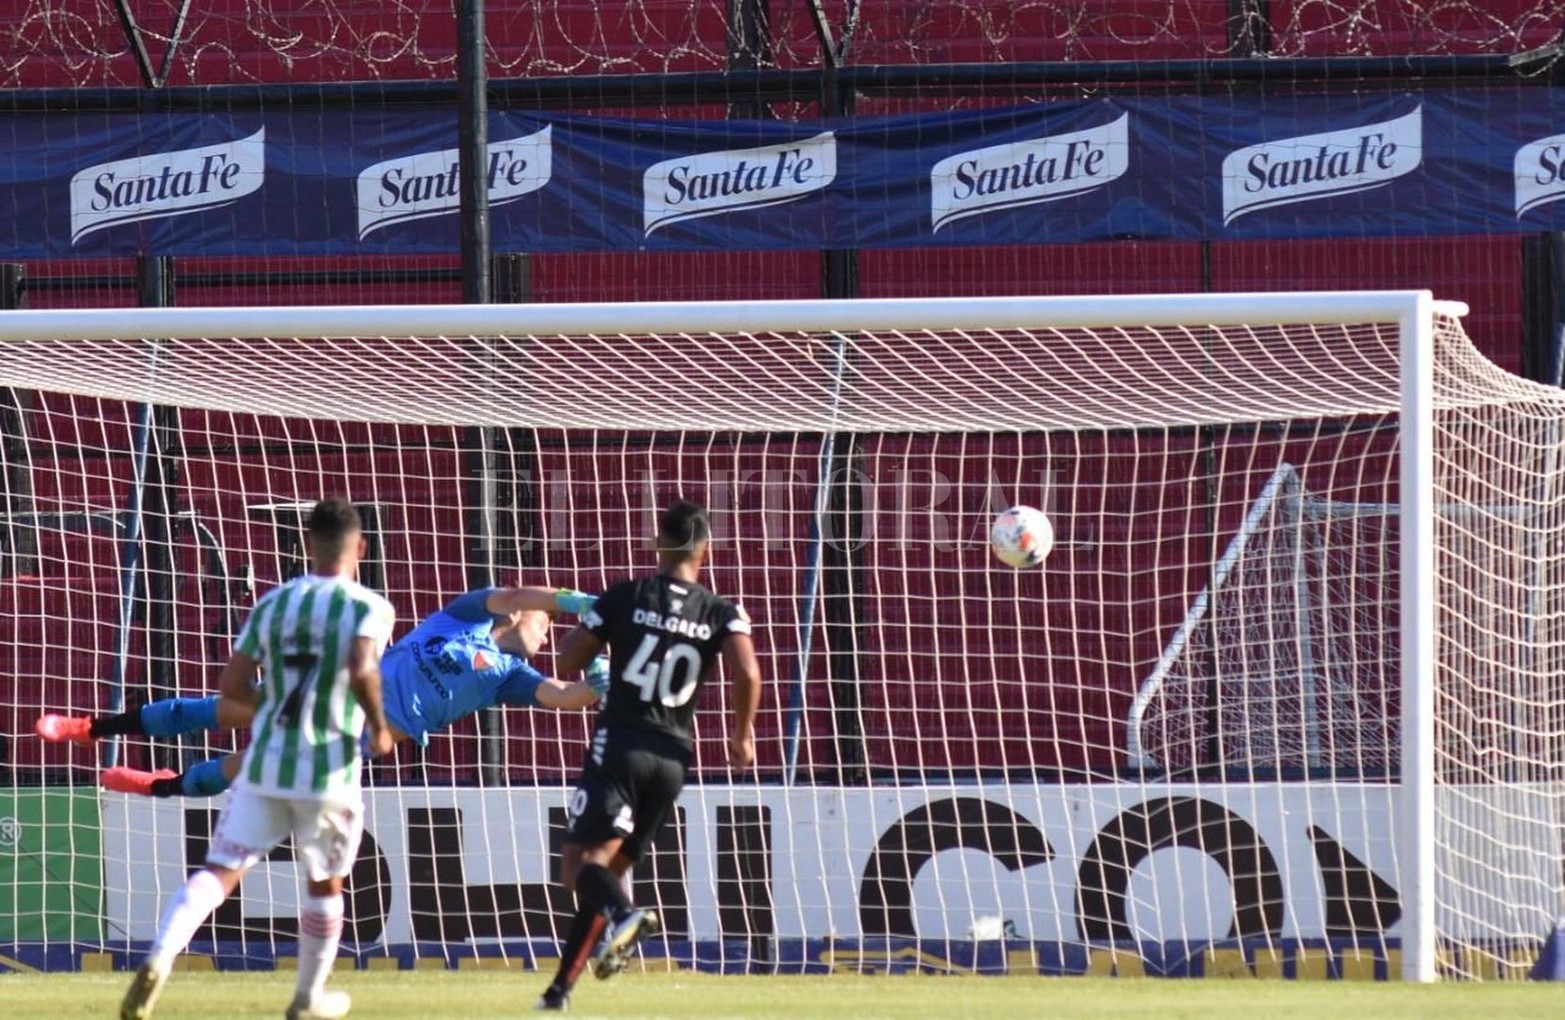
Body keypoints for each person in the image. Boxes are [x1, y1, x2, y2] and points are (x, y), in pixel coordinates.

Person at [120, 498, 395, 1020]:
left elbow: (232, 687)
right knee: (325, 883)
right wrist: (379, 727)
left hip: (265, 761)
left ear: (307, 544)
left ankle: (160, 956)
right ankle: (307, 999)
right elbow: (362, 666)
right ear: (361, 547)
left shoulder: (273, 604)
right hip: (328, 769)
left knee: (220, 872)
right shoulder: (370, 606)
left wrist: (276, 703)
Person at [38, 585, 606, 798]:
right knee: (228, 708)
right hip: (339, 687)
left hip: (358, 736)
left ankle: (159, 786)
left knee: (246, 763)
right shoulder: (465, 617)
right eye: (547, 621)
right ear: (521, 615)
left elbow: (561, 697)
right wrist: (575, 602)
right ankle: (91, 728)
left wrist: (595, 687)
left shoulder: (506, 677)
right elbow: (516, 595)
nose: (548, 631)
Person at [534, 500, 761, 1012]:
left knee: (578, 868)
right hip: (674, 759)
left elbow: (568, 658)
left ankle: (625, 916)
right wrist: (741, 735)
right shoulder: (722, 611)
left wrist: (600, 635)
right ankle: (558, 992)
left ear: (658, 544)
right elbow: (748, 672)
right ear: (705, 551)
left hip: (622, 744)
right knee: (605, 874)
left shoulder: (626, 595)